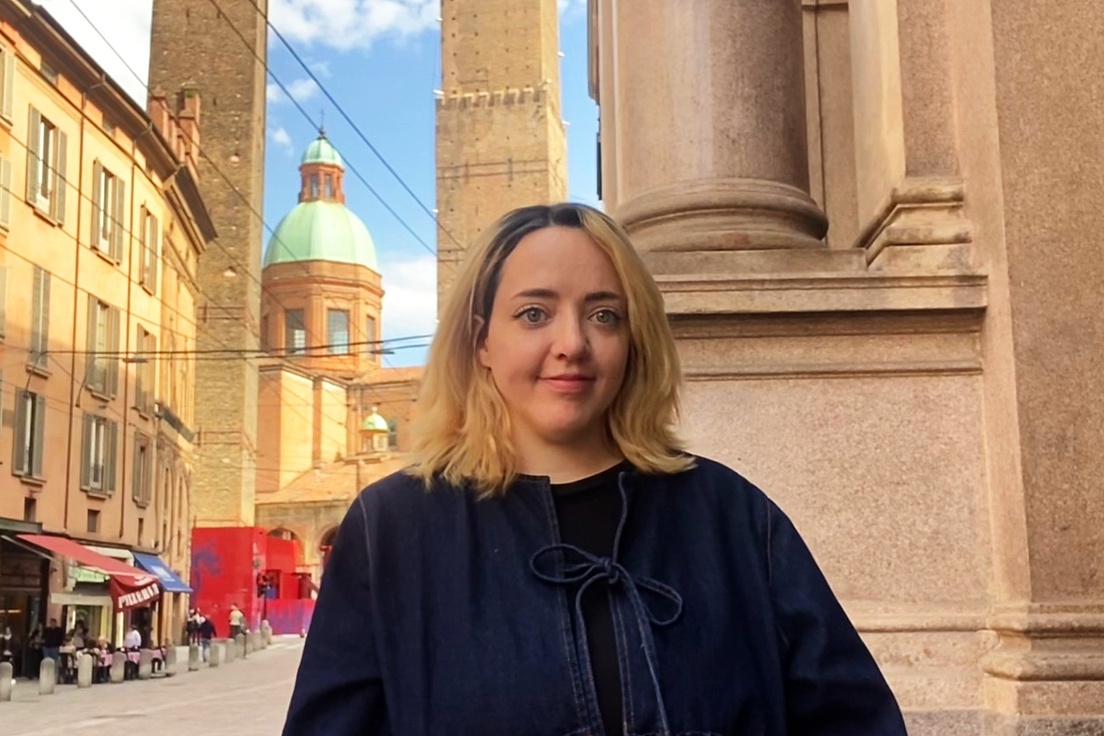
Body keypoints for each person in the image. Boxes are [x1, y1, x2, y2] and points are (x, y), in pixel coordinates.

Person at [282, 203, 907, 735]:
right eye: (534, 313)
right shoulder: (393, 530)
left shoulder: (734, 517)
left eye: (604, 314)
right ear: (481, 341)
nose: (572, 344)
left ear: (634, 339)